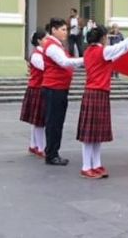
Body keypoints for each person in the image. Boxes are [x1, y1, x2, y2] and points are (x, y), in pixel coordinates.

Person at [76, 24, 128, 179]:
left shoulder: (88, 52)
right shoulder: (104, 51)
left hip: (93, 93)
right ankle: (86, 166)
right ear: (103, 38)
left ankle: (96, 164)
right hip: (97, 93)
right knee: (91, 134)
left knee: (94, 133)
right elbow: (123, 46)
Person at [42, 17, 85, 166]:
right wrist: (86, 59)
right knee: (54, 123)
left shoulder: (58, 45)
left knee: (57, 122)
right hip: (54, 88)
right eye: (63, 29)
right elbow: (65, 62)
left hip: (59, 88)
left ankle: (53, 152)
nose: (66, 32)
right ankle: (51, 154)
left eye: (66, 29)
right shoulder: (52, 46)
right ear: (53, 30)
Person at [20, 30, 47, 157]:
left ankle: (33, 145)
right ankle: (40, 148)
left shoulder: (42, 54)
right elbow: (45, 68)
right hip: (37, 88)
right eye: (45, 38)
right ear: (39, 41)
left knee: (37, 120)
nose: (47, 41)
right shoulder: (37, 55)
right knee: (39, 121)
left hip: (39, 88)